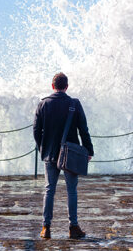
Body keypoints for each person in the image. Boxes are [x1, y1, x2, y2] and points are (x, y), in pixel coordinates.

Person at [33, 72, 94, 239]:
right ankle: (73, 227)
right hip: (71, 154)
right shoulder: (74, 104)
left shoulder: (43, 104)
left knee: (49, 190)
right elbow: (83, 129)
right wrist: (88, 150)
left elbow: (36, 131)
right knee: (71, 191)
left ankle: (46, 228)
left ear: (52, 86)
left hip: (50, 153)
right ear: (66, 87)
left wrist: (42, 149)